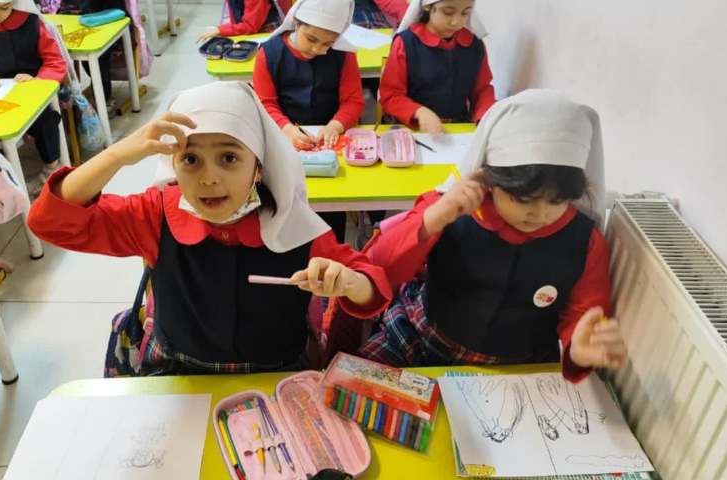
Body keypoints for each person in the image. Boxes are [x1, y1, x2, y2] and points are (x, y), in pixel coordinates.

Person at [29, 81, 392, 375]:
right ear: (173, 164)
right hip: (178, 371)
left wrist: (348, 282)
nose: (209, 178)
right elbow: (51, 223)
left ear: (259, 167)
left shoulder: (291, 223)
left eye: (229, 158)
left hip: (276, 373)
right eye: (190, 159)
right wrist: (116, 154)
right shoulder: (157, 214)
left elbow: (372, 288)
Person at [360, 90, 627, 383]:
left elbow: (584, 310)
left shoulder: (585, 241)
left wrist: (579, 348)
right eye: (522, 199)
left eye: (556, 201)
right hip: (421, 336)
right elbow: (381, 267)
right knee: (351, 386)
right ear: (490, 179)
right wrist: (433, 219)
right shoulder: (453, 207)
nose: (539, 213)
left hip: (517, 365)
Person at [253, 0, 365, 241]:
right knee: (287, 206)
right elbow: (265, 103)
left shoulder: (343, 55)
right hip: (283, 137)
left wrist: (336, 124)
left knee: (330, 212)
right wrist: (286, 129)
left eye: (328, 44)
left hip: (329, 141)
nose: (317, 49)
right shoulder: (269, 54)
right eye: (311, 39)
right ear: (296, 23)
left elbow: (353, 101)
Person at [379, 0, 496, 134]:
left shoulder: (474, 45)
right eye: (448, 12)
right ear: (428, 7)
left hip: (458, 127)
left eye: (465, 13)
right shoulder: (406, 44)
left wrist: (485, 118)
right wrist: (419, 112)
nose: (456, 22)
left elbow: (482, 90)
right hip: (412, 127)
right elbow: (391, 95)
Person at [0, 0, 66, 196]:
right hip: (3, 92)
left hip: (36, 89)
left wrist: (37, 80)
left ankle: (51, 166)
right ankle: (3, 177)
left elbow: (54, 61)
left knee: (45, 120)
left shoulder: (33, 23)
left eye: (3, 8)